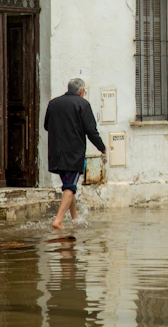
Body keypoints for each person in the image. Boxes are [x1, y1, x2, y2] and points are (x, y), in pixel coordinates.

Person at [44, 78, 106, 228]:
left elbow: (47, 126)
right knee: (70, 186)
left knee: (68, 184)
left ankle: (75, 217)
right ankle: (58, 220)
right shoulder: (82, 104)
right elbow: (91, 130)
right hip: (73, 152)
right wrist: (102, 148)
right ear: (81, 91)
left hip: (56, 152)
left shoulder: (53, 103)